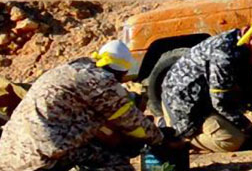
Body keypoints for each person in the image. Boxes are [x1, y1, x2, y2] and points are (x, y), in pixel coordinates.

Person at [0, 40, 171, 171]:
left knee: (94, 147)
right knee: (117, 164)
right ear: (122, 71)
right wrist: (161, 138)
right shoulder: (99, 81)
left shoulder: (67, 71)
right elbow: (131, 122)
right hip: (39, 159)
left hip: (10, 153)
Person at [161, 20, 252, 153]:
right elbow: (220, 103)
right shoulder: (224, 55)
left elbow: (251, 90)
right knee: (232, 140)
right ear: (251, 40)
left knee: (241, 121)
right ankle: (179, 136)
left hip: (203, 102)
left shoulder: (242, 49)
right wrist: (249, 128)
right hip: (183, 108)